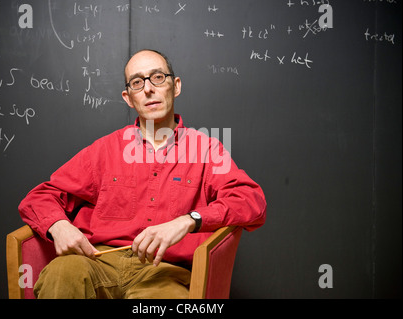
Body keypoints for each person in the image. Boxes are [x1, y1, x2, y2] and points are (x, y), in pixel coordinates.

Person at [18, 49, 266, 299]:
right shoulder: (105, 149)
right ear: (128, 98)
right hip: (98, 263)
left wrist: (188, 220)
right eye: (137, 82)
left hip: (165, 272)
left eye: (158, 77)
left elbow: (251, 201)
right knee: (62, 273)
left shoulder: (206, 150)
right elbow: (40, 197)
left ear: (176, 86)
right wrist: (58, 226)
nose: (148, 89)